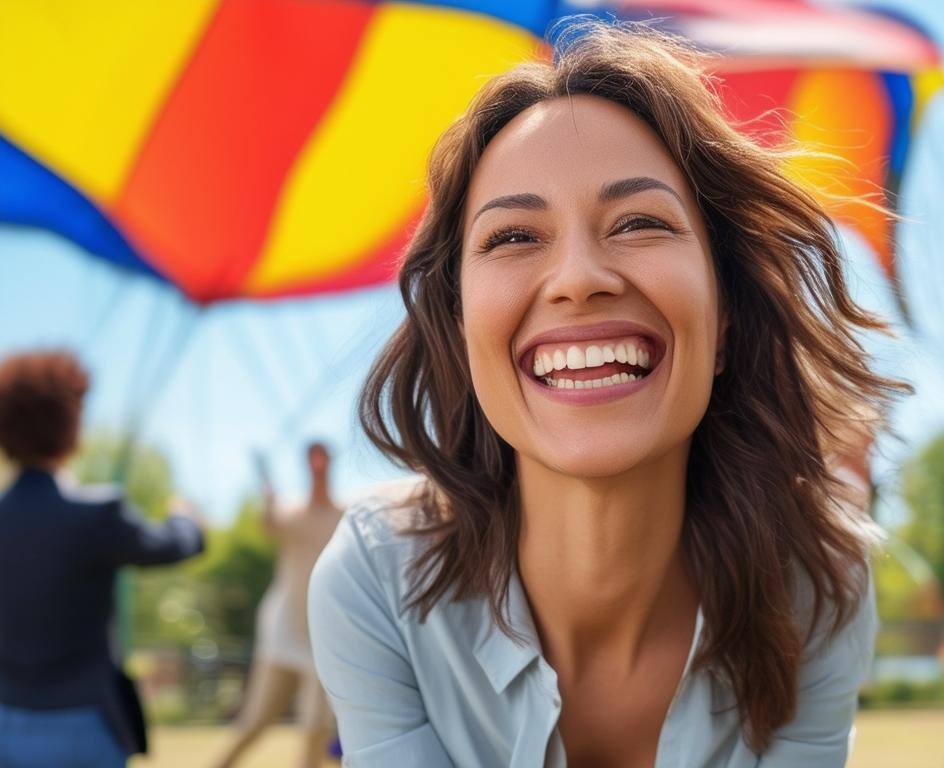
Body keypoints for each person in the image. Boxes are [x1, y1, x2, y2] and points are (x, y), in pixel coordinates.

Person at [308, 18, 895, 766]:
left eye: (640, 222)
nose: (580, 276)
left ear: (724, 325)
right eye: (514, 237)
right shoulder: (373, 580)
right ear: (461, 333)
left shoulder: (820, 583)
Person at [0, 350, 205, 767]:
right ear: (71, 425)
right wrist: (186, 518)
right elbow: (173, 545)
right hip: (85, 726)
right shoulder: (96, 515)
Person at [213, 442, 342, 768]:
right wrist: (268, 497)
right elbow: (269, 524)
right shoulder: (291, 513)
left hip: (323, 633)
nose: (318, 465)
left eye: (322, 458)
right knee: (255, 723)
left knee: (316, 726)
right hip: (284, 632)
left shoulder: (345, 516)